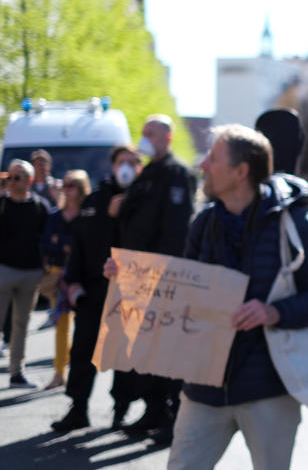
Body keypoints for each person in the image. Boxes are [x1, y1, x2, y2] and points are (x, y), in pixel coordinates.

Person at [162, 124, 308, 470]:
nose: (203, 166)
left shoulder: (297, 224)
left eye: (213, 158)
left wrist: (274, 312)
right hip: (204, 387)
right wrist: (131, 281)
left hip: (269, 388)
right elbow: (183, 288)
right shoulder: (203, 223)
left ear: (241, 171)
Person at [115, 114, 197, 435]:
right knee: (145, 347)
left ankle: (173, 415)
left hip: (162, 275)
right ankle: (153, 410)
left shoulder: (176, 173)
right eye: (143, 131)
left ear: (168, 137)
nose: (145, 137)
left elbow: (176, 228)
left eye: (152, 132)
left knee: (168, 348)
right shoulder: (146, 173)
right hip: (136, 272)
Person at [51, 146, 141, 431]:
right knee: (82, 352)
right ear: (112, 166)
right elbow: (79, 244)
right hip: (92, 291)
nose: (126, 167)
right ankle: (77, 409)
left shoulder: (143, 199)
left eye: (132, 162)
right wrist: (73, 283)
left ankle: (121, 410)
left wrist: (123, 214)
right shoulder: (95, 201)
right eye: (121, 162)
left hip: (128, 294)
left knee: (123, 355)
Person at [0, 159, 50, 389]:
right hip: (4, 271)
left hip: (31, 274)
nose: (12, 180)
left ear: (30, 180)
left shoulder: (40, 207)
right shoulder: (1, 204)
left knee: (21, 324)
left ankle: (16, 373)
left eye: (18, 176)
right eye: (10, 176)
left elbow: (49, 239)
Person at [39, 169, 91, 390]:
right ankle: (59, 372)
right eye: (66, 184)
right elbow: (45, 244)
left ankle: (77, 373)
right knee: (61, 325)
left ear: (81, 189)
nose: (66, 189)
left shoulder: (88, 216)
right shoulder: (55, 216)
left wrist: (61, 241)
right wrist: (64, 245)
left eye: (72, 185)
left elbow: (87, 246)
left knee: (83, 328)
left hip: (83, 278)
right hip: (58, 276)